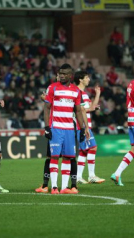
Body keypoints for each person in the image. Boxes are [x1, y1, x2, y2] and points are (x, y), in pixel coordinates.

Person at [44, 63, 90, 194]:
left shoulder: (76, 91)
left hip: (70, 129)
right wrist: (47, 127)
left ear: (71, 75)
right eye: (60, 73)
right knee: (54, 157)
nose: (61, 76)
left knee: (67, 157)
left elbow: (79, 111)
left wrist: (81, 129)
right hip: (56, 128)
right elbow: (46, 108)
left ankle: (64, 188)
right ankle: (54, 187)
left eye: (64, 74)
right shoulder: (52, 87)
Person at [74, 71, 105, 184]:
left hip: (86, 125)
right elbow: (79, 110)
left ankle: (78, 177)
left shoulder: (84, 93)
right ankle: (91, 176)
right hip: (81, 126)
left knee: (83, 152)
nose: (88, 79)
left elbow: (91, 107)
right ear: (80, 79)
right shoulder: (76, 92)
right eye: (86, 77)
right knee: (93, 148)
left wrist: (97, 94)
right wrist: (91, 109)